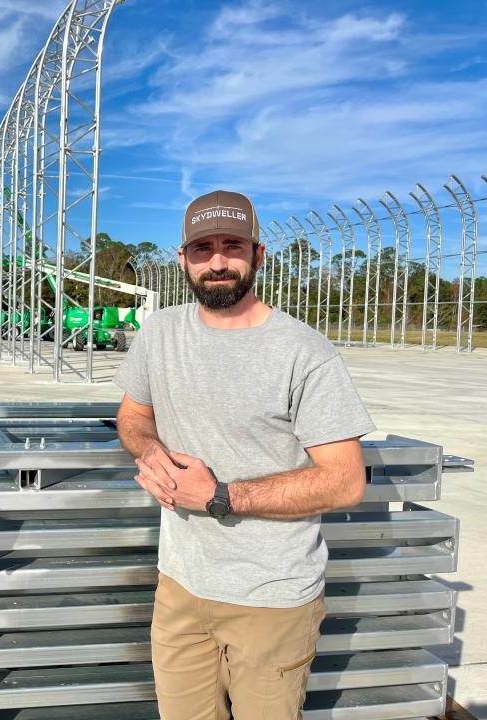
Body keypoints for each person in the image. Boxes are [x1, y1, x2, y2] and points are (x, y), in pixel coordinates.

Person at [114, 190, 375, 720]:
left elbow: (346, 481)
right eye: (202, 248)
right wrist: (150, 452)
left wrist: (221, 496)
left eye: (232, 245)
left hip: (272, 596)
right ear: (182, 258)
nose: (217, 261)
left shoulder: (304, 352)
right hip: (180, 586)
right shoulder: (159, 334)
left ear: (258, 255)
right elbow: (133, 417)